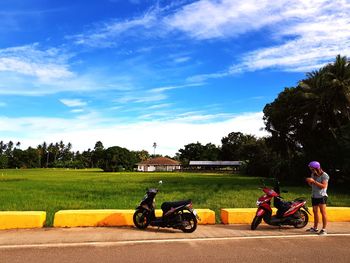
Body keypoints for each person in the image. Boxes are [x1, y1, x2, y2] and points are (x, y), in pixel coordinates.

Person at [305, 161, 329, 235]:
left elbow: (324, 186)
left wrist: (314, 181)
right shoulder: (313, 174)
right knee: (315, 212)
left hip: (322, 196)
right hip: (314, 196)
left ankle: (324, 229)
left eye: (311, 168)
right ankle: (315, 228)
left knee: (323, 212)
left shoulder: (325, 175)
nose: (311, 170)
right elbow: (312, 185)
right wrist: (309, 182)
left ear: (316, 168)